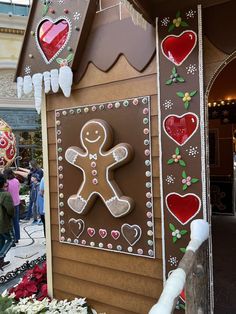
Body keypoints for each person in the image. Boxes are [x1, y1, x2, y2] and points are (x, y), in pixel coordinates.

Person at [0, 174, 15, 270]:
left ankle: (1, 261)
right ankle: (1, 256)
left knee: (1, 240)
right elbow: (10, 210)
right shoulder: (5, 195)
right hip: (4, 223)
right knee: (11, 239)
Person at [4, 168, 21, 245]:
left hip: (9, 204)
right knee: (16, 221)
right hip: (17, 202)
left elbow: (5, 192)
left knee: (9, 222)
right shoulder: (16, 181)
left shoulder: (6, 183)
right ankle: (17, 238)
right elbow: (18, 189)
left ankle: (12, 239)